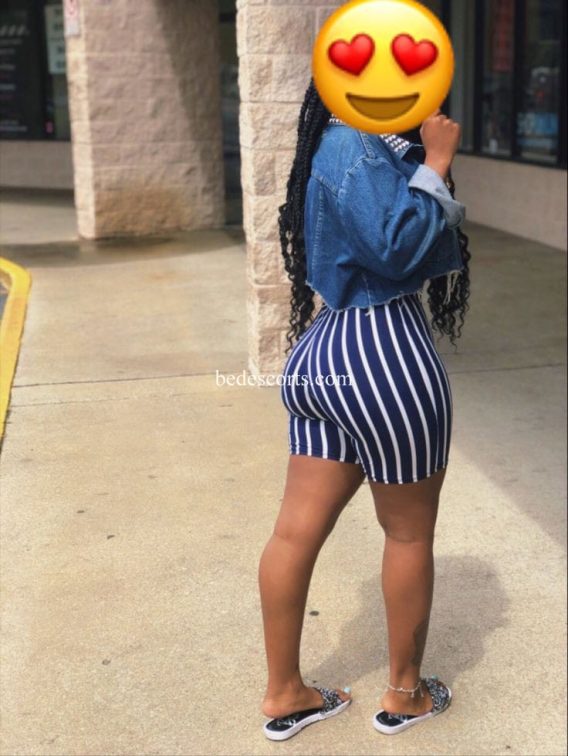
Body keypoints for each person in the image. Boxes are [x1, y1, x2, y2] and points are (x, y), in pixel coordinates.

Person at [259, 79, 472, 742]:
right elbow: (397, 247)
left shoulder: (342, 142)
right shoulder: (354, 143)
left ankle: (286, 693)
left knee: (293, 534)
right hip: (385, 351)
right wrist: (438, 162)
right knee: (407, 534)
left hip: (326, 350)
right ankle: (405, 696)